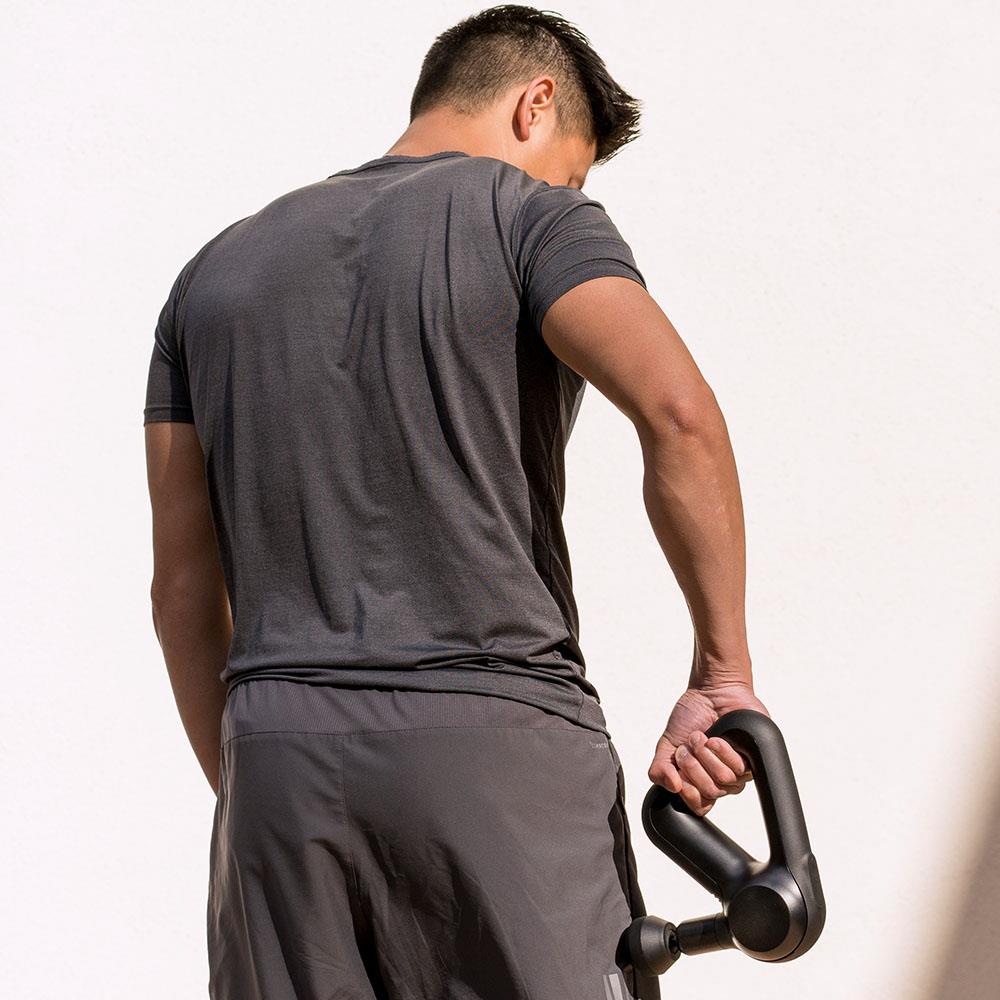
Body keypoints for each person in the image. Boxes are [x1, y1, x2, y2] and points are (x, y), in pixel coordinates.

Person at [143, 5, 770, 998]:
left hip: (276, 761)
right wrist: (722, 673)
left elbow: (181, 589)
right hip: (494, 739)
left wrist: (261, 787)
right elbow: (679, 415)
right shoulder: (533, 219)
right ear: (535, 104)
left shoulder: (211, 275)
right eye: (574, 170)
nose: (569, 191)